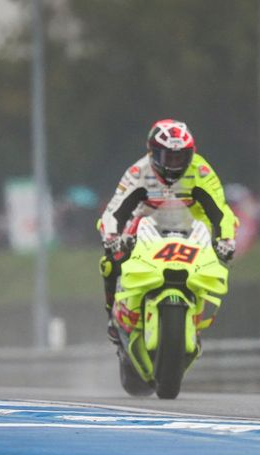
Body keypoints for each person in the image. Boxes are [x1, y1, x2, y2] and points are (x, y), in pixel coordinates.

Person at [98, 119, 237, 344]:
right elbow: (114, 209)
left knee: (222, 260)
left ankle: (196, 317)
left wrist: (226, 240)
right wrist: (112, 237)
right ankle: (113, 316)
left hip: (192, 231)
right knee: (109, 261)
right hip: (145, 230)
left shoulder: (201, 172)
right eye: (168, 157)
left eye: (180, 157)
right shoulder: (137, 172)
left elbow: (221, 211)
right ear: (153, 153)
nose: (174, 164)